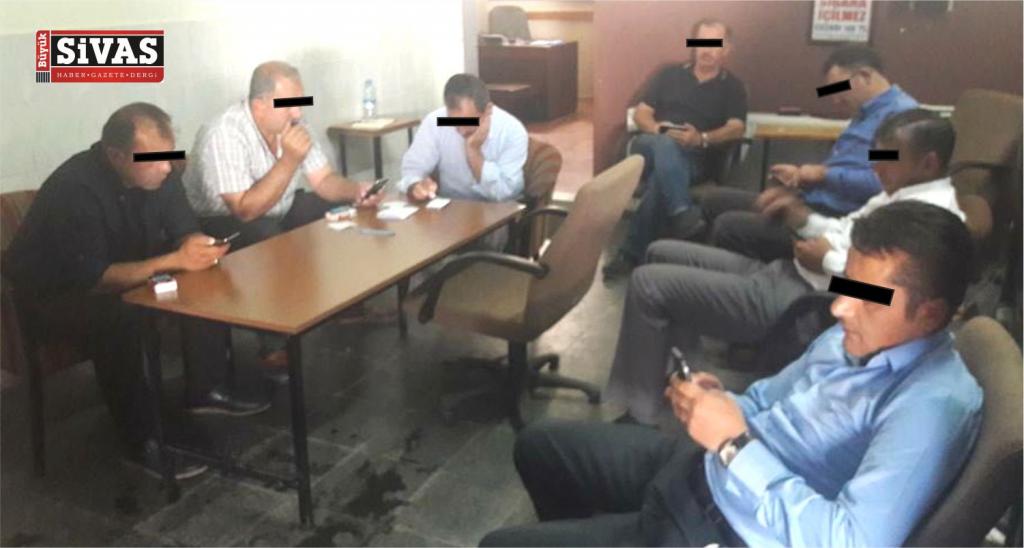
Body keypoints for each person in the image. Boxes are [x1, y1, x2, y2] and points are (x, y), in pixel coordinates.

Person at [482, 200, 982, 547]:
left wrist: (733, 446)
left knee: (499, 546)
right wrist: (720, 402)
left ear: (930, 314)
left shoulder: (930, 407)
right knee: (539, 446)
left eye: (868, 299)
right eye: (846, 285)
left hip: (728, 528)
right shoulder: (853, 335)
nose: (839, 308)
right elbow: (767, 400)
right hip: (705, 469)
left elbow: (849, 540)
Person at [605, 109, 964, 426]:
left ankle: (639, 413)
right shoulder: (896, 194)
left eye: (889, 158)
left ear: (928, 163)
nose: (876, 166)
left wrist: (825, 261)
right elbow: (842, 230)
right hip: (788, 273)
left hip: (802, 299)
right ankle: (677, 379)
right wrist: (798, 216)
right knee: (659, 252)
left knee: (649, 283)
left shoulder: (932, 220)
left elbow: (885, 298)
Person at [3, 103, 271, 480]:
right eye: (154, 159)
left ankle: (206, 387)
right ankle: (140, 438)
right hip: (55, 295)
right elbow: (95, 278)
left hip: (123, 269)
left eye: (169, 154)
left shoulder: (163, 170)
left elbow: (183, 227)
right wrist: (173, 260)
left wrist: (196, 244)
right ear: (116, 156)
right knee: (119, 318)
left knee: (205, 274)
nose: (166, 167)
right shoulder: (75, 189)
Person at [183, 61, 383, 370]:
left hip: (277, 207)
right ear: (259, 105)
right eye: (289, 105)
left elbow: (323, 180)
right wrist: (289, 160)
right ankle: (273, 343)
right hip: (221, 223)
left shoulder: (293, 124)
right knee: (266, 239)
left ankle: (348, 307)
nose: (298, 113)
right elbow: (245, 209)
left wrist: (356, 190)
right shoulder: (224, 133)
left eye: (299, 103)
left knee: (335, 212)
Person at [701, 45, 918, 263]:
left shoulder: (900, 118)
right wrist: (800, 179)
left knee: (728, 225)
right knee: (714, 200)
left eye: (840, 89)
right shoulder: (864, 114)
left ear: (864, 76)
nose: (836, 100)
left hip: (835, 219)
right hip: (812, 200)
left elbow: (882, 181)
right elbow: (857, 164)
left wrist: (823, 175)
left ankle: (757, 276)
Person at [602, 18, 748, 281]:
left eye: (714, 44)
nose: (706, 50)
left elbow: (736, 128)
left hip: (695, 155)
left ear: (727, 49)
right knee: (667, 144)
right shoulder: (669, 74)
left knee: (661, 181)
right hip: (649, 145)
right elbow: (642, 114)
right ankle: (682, 213)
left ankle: (631, 254)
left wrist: (701, 138)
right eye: (701, 42)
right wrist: (658, 130)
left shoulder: (733, 87)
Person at [398, 73, 528, 250]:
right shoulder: (438, 122)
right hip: (449, 208)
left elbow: (504, 193)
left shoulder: (510, 131)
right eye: (455, 122)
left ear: (488, 110)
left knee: (488, 241)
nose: (462, 130)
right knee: (415, 242)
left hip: (494, 210)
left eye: (470, 121)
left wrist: (473, 151)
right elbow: (412, 170)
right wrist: (416, 185)